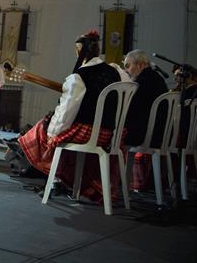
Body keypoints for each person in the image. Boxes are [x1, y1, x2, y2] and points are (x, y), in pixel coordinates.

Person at [16, 30, 128, 202]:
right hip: (110, 135)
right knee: (61, 130)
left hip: (89, 134)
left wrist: (52, 132)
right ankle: (68, 181)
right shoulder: (116, 73)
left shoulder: (79, 76)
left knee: (44, 128)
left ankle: (56, 179)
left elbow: (67, 113)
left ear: (78, 50)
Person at [120, 49, 168, 191]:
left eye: (128, 66)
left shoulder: (143, 82)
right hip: (161, 135)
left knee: (112, 136)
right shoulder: (157, 79)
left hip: (148, 136)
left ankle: (114, 183)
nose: (126, 71)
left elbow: (132, 112)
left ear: (140, 65)